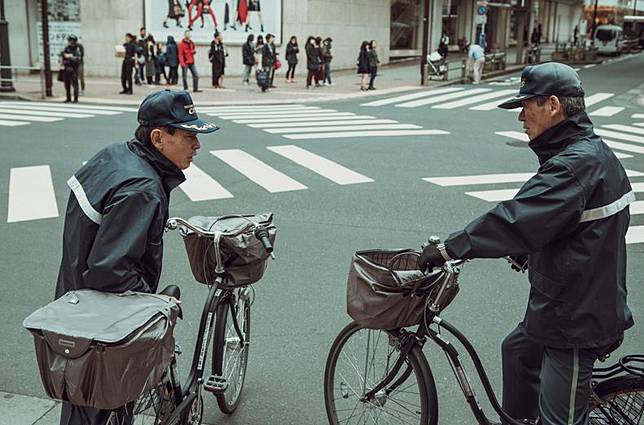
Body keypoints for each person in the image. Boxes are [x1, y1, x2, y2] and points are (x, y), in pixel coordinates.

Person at [417, 62, 634, 425]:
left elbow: (515, 219)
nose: (520, 116)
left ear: (552, 105)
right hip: (569, 302)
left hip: (575, 321)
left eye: (525, 104)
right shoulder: (587, 152)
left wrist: (447, 249)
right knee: (517, 350)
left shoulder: (573, 164)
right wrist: (529, 250)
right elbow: (567, 222)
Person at [56, 89, 219, 425]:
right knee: (101, 405)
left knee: (83, 404)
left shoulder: (117, 155)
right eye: (189, 136)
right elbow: (108, 271)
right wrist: (153, 301)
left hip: (73, 305)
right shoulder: (142, 189)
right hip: (100, 322)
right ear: (159, 138)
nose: (197, 146)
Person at [60, 35, 82, 103]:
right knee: (67, 84)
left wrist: (70, 56)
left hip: (73, 68)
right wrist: (63, 56)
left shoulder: (77, 49)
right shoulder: (67, 48)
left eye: (72, 41)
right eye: (69, 41)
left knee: (75, 84)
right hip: (66, 68)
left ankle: (75, 98)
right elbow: (62, 55)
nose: (70, 42)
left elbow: (78, 59)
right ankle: (68, 98)